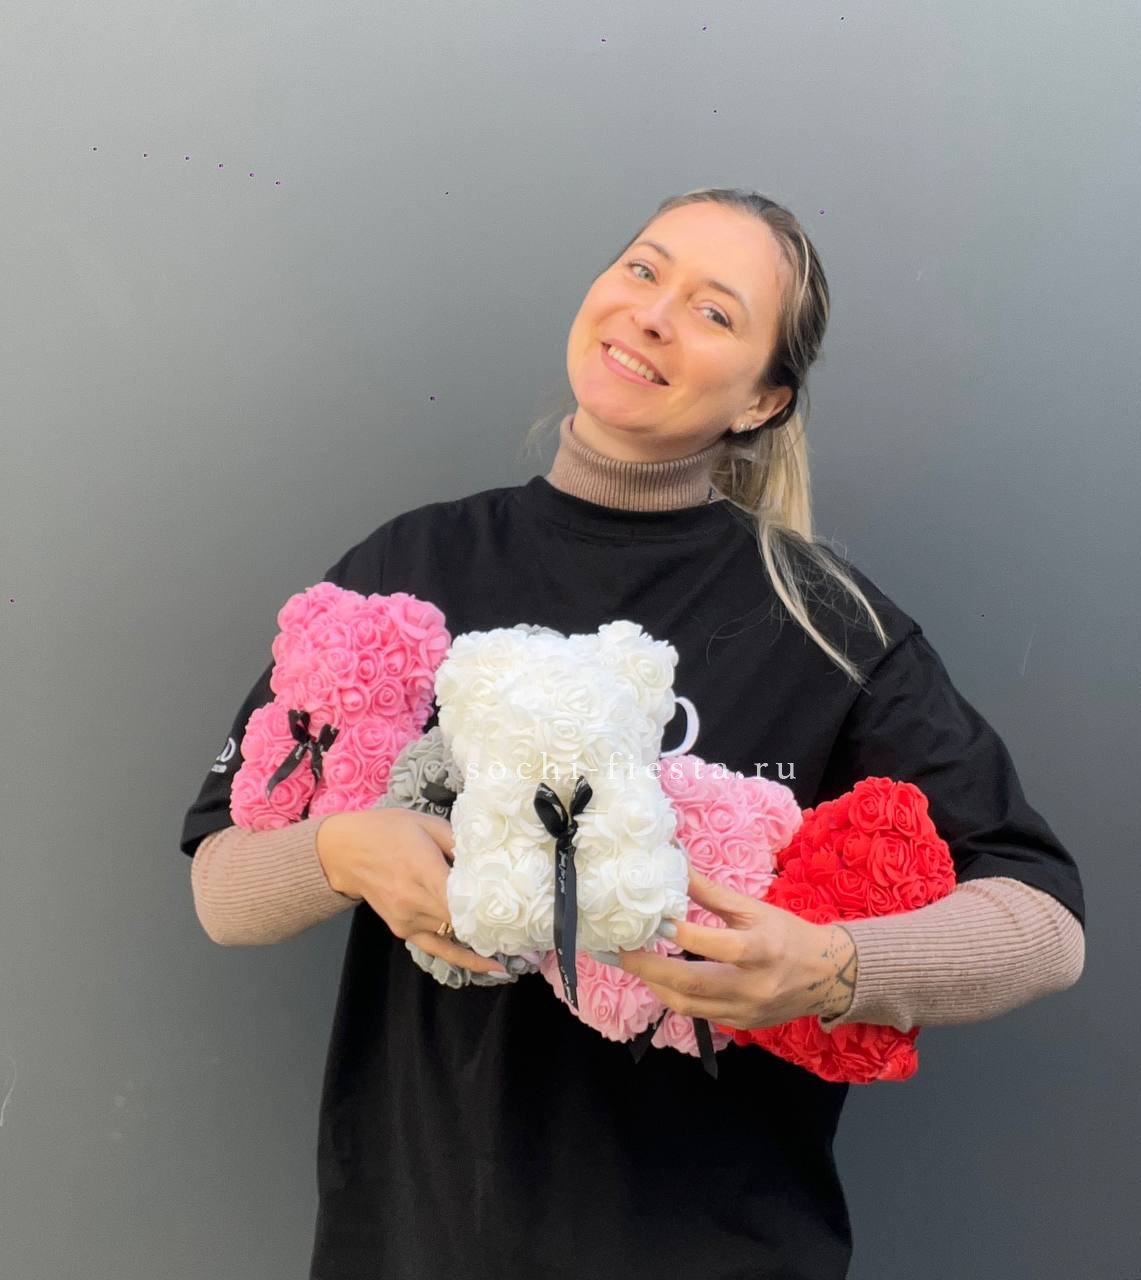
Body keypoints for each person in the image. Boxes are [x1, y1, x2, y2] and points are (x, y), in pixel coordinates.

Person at [181, 189, 1086, 1280]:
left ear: (762, 400)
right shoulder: (408, 569)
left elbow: (1044, 921)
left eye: (714, 311)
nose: (652, 314)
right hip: (415, 1240)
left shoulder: (828, 626)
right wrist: (342, 851)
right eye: (644, 270)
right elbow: (222, 888)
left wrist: (832, 968)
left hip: (718, 1251)